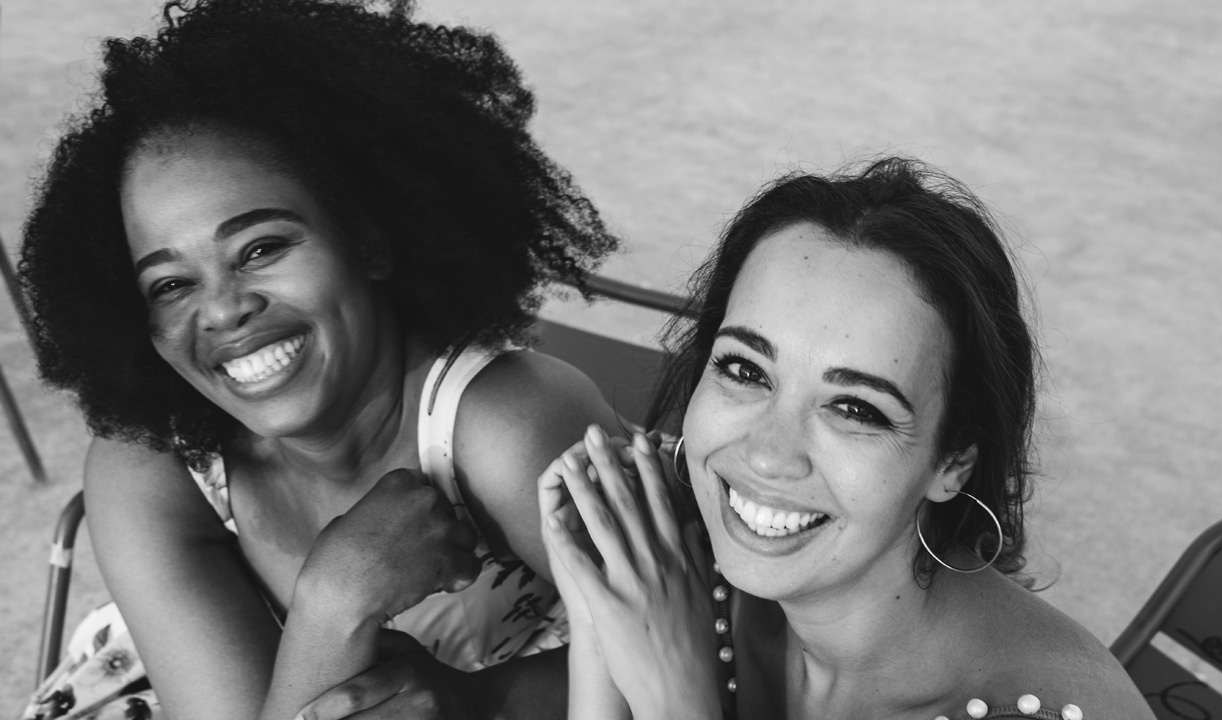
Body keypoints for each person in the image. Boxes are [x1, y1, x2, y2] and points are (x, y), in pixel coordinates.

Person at [18, 1, 623, 718]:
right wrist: (335, 604)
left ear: (369, 239)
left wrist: (482, 699)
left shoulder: (508, 431)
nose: (223, 310)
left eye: (262, 248)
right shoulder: (150, 468)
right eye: (171, 285)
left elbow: (710, 654)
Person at [538, 157, 1157, 720]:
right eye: (745, 370)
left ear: (953, 461)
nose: (767, 456)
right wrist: (599, 623)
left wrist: (675, 700)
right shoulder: (676, 578)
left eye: (856, 409)